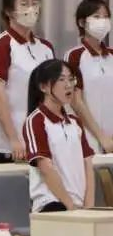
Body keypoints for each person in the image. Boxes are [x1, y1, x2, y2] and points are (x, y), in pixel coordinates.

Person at [0, 0, 55, 163]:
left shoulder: (46, 47)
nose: (31, 9)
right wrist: (14, 139)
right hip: (11, 145)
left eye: (34, 3)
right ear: (9, 11)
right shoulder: (1, 44)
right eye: (24, 4)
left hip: (43, 141)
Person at [24, 59, 95, 212]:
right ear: (43, 87)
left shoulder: (75, 122)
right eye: (61, 79)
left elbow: (87, 163)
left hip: (78, 206)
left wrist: (89, 207)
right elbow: (45, 168)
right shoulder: (36, 120)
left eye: (71, 79)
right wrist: (70, 206)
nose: (68, 85)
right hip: (51, 204)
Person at [66, 0, 113, 153]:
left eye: (106, 17)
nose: (103, 21)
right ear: (82, 22)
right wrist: (101, 137)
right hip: (89, 136)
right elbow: (75, 100)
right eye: (96, 17)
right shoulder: (75, 56)